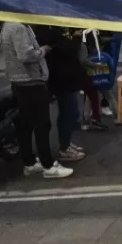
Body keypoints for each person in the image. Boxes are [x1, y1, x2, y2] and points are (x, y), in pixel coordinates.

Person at [0, 21, 73, 180]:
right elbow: (25, 55)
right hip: (30, 81)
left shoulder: (8, 24)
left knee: (25, 125)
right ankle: (48, 165)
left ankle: (30, 162)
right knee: (42, 124)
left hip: (20, 82)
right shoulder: (18, 27)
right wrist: (43, 50)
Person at [35, 26, 87, 163]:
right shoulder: (47, 30)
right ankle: (64, 148)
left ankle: (66, 143)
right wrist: (76, 38)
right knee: (70, 113)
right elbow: (65, 50)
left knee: (68, 113)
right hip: (61, 78)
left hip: (66, 76)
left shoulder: (55, 27)